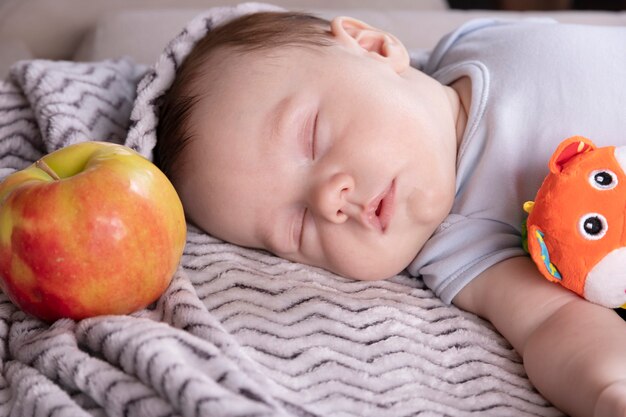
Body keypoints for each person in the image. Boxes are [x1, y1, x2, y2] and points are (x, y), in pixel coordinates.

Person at [155, 11, 626, 417]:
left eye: (312, 139)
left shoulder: (480, 45)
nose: (328, 202)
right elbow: (553, 325)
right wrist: (607, 390)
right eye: (297, 226)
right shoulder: (461, 248)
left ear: (374, 46)